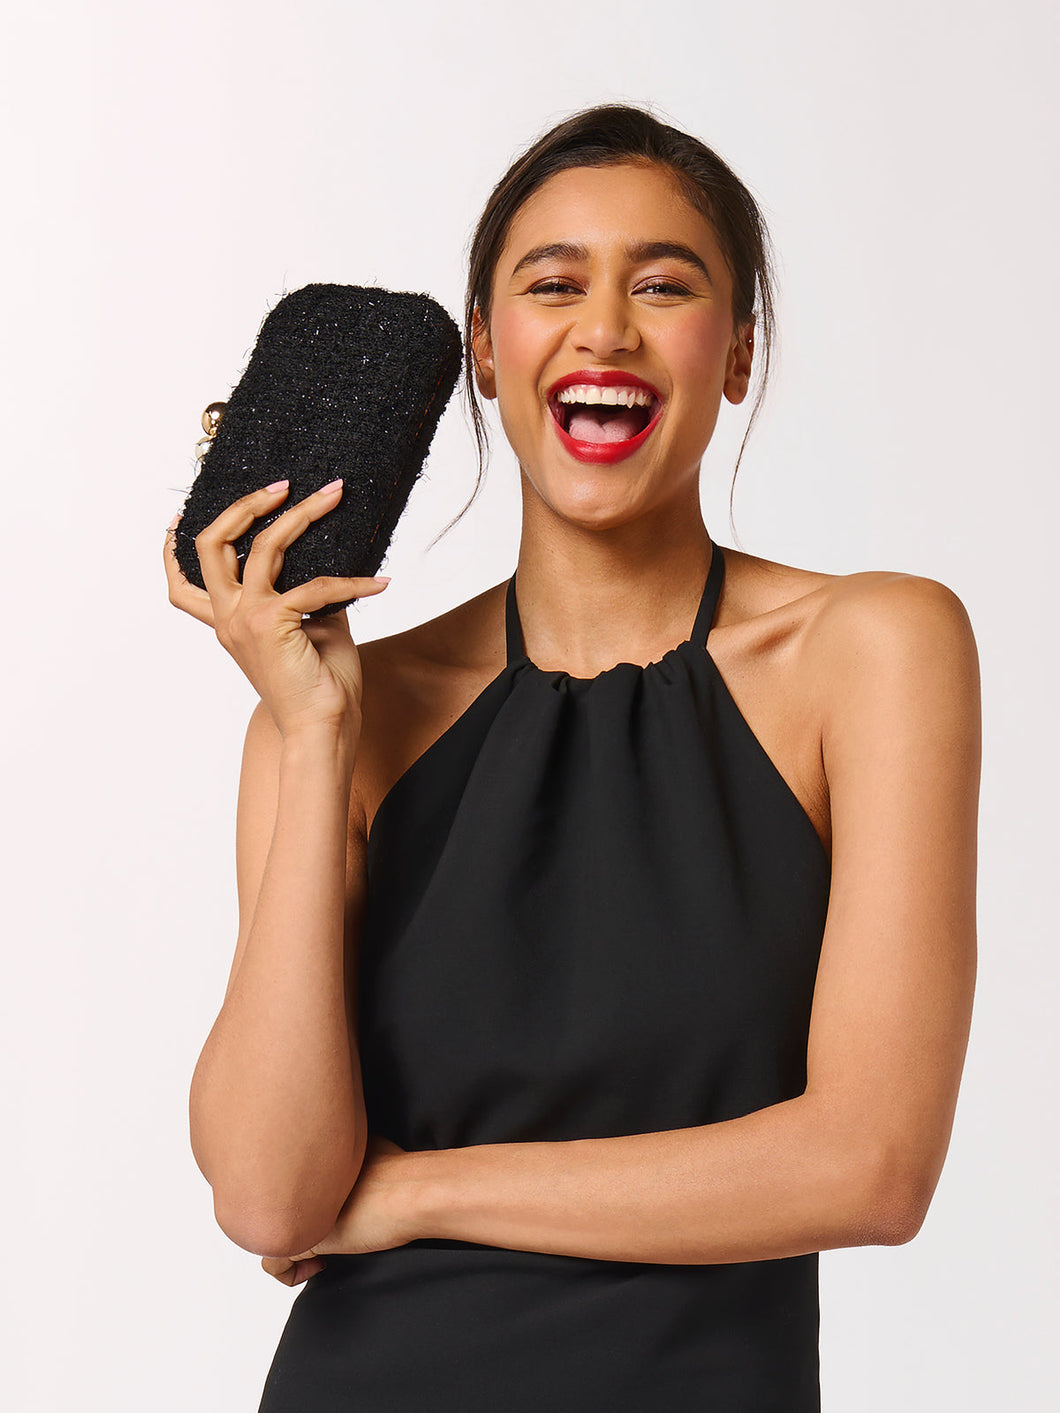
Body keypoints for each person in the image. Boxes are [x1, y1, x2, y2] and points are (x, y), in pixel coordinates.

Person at [163, 104, 980, 1412]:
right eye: (553, 285)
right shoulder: (340, 719)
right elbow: (267, 1193)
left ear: (738, 352)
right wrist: (314, 737)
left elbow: (872, 1167)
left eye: (663, 285)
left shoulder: (875, 648)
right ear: (485, 354)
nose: (605, 328)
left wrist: (415, 1192)